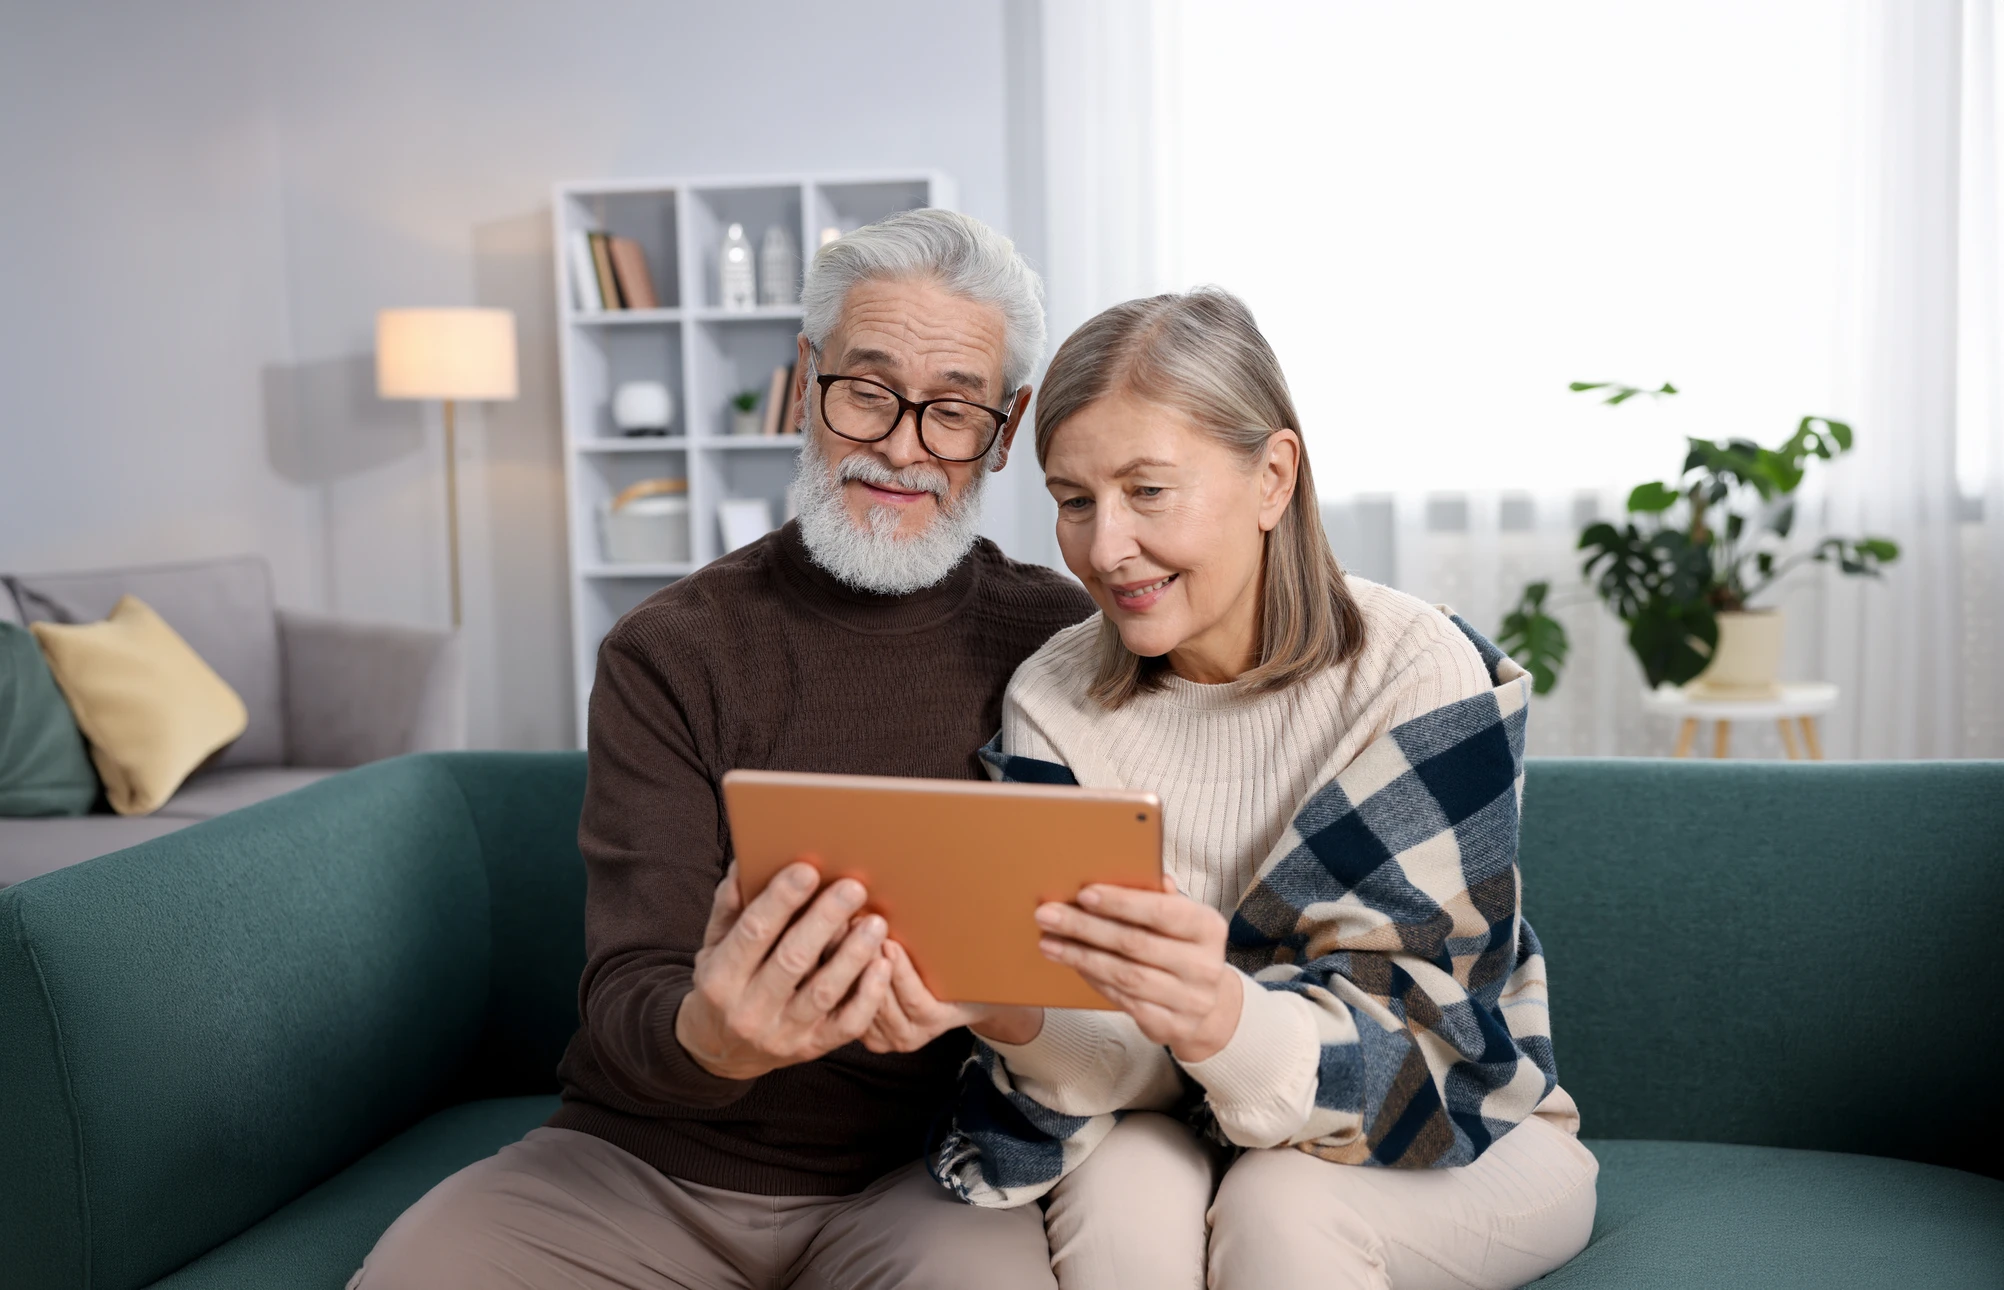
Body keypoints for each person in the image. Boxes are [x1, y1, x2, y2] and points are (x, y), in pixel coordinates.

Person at [349, 208, 1095, 1289]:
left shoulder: (1059, 635)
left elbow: (1088, 977)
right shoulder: (671, 648)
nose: (899, 444)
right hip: (645, 1164)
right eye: (867, 390)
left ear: (1007, 425)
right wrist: (716, 1036)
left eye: (952, 411)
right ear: (808, 382)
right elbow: (626, 991)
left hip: (927, 1175)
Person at [923, 288, 1600, 1289]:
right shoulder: (1054, 702)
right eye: (1075, 500)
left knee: (1282, 1204)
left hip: (1459, 1124)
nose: (1105, 549)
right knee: (1124, 1196)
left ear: (1273, 477)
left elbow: (1423, 1050)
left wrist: (1219, 1014)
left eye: (1148, 491)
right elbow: (1109, 1066)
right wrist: (1009, 1010)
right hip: (1173, 1113)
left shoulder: (1415, 672)